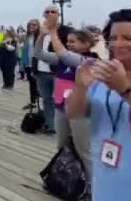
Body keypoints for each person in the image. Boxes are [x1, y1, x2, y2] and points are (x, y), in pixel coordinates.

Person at [67, 9, 131, 200]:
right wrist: (80, 86)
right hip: (105, 176)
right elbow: (74, 113)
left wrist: (124, 90)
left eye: (127, 38)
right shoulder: (102, 73)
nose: (119, 44)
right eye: (113, 37)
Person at [35, 21, 98, 189]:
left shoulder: (88, 61)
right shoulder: (63, 60)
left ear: (86, 44)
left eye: (73, 41)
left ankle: (92, 189)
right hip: (61, 108)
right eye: (68, 40)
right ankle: (63, 179)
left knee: (84, 150)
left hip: (80, 111)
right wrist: (42, 34)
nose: (69, 44)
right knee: (61, 146)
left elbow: (64, 55)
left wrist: (53, 32)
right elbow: (39, 54)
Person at [35, 5, 72, 135]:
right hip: (41, 72)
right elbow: (36, 52)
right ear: (43, 14)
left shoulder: (67, 31)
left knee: (60, 101)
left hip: (57, 72)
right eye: (47, 12)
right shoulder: (39, 31)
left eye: (53, 11)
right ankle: (50, 125)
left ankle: (62, 127)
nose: (50, 14)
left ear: (58, 14)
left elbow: (69, 52)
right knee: (46, 99)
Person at [21, 19, 41, 109]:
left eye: (34, 25)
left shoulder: (40, 36)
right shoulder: (27, 37)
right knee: (31, 84)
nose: (32, 26)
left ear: (38, 26)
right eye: (30, 25)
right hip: (28, 63)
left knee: (39, 84)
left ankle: (40, 103)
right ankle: (33, 102)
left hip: (37, 63)